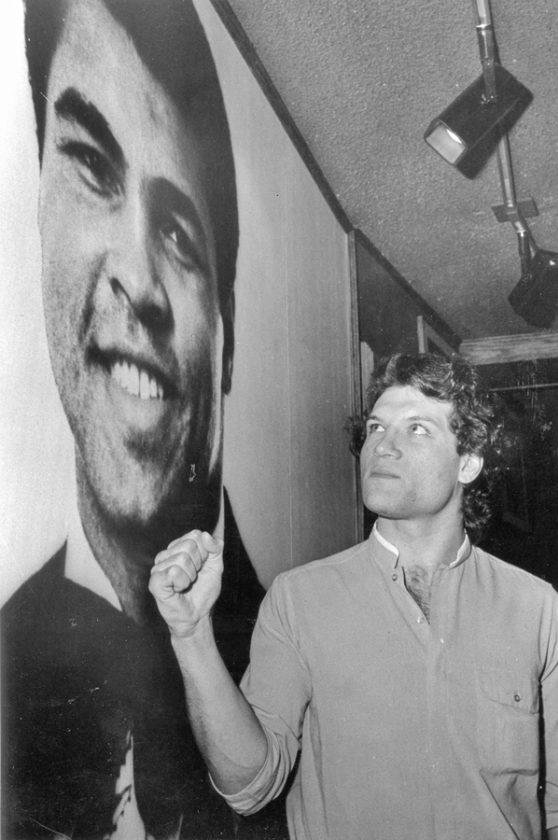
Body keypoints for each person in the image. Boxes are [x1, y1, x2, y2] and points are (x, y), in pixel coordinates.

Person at [1, 1, 269, 837]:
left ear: (226, 336)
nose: (140, 283)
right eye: (90, 164)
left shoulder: (296, 639)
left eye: (182, 237)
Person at [150, 351, 558, 840]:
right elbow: (248, 785)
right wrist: (191, 635)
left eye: (417, 429)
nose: (383, 446)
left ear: (468, 462)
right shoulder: (299, 599)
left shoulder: (535, 608)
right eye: (376, 428)